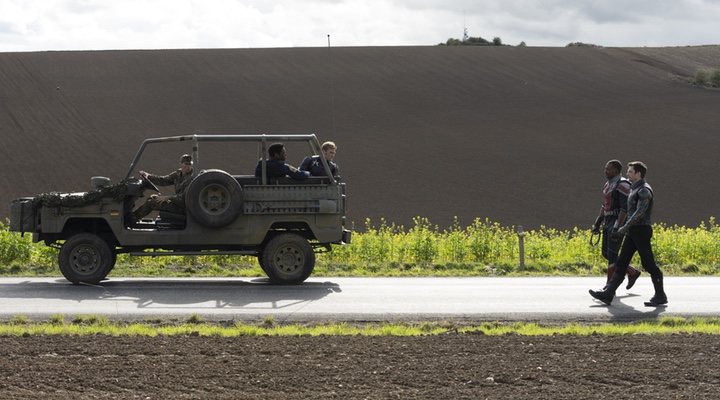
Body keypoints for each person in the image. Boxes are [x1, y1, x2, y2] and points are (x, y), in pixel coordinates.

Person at [589, 161, 667, 307]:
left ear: (638, 173)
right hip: (633, 231)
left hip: (641, 231)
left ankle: (660, 295)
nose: (627, 173)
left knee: (649, 264)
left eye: (630, 171)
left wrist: (623, 228)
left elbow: (639, 213)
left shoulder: (644, 190)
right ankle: (608, 294)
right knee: (622, 263)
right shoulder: (634, 189)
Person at [592, 160, 641, 290]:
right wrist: (598, 222)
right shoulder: (608, 185)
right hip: (608, 222)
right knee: (606, 253)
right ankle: (632, 272)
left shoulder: (623, 184)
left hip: (617, 223)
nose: (605, 171)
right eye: (605, 168)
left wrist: (617, 227)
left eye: (608, 169)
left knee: (612, 255)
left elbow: (625, 208)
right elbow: (605, 205)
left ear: (616, 170)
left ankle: (609, 286)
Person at [131, 153, 194, 222]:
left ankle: (131, 220)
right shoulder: (178, 174)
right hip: (177, 204)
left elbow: (185, 197)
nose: (188, 167)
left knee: (152, 203)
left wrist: (167, 197)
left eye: (190, 164)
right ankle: (134, 218)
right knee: (153, 198)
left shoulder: (192, 178)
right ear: (181, 164)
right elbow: (163, 180)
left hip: (184, 207)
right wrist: (148, 176)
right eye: (186, 164)